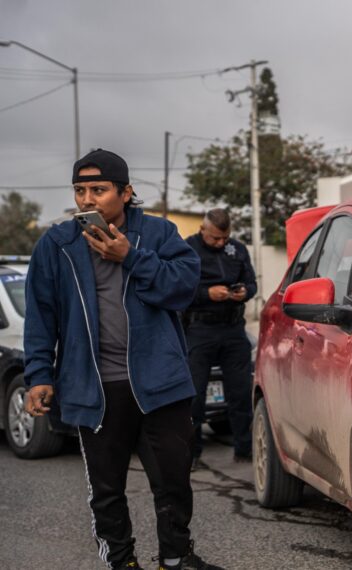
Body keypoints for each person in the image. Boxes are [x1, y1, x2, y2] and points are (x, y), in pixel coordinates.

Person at [23, 149, 221, 570]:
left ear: (126, 192)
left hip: (159, 382)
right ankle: (121, 561)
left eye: (99, 189)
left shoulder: (160, 234)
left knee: (172, 480)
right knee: (106, 488)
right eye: (80, 190)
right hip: (95, 386)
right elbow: (41, 317)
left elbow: (183, 289)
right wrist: (39, 374)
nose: (87, 200)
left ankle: (176, 558)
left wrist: (129, 256)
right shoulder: (57, 245)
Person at [183, 209, 256, 467]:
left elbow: (251, 283)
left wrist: (244, 292)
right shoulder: (187, 248)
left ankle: (245, 450)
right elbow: (177, 289)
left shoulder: (237, 249)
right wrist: (206, 293)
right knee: (194, 397)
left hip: (233, 329)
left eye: (225, 238)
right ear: (203, 230)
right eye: (215, 238)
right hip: (200, 329)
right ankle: (191, 455)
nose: (220, 243)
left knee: (241, 393)